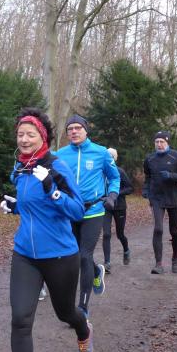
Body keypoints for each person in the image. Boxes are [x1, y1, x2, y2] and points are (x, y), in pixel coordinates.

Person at [0, 108, 91, 352]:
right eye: (20, 134)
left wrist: (52, 188)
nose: (24, 139)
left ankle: (83, 329)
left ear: (43, 138)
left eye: (30, 135)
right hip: (25, 254)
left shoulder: (57, 166)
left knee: (65, 313)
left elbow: (77, 210)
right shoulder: (21, 168)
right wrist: (15, 206)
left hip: (60, 255)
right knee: (20, 318)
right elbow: (32, 207)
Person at [55, 114, 120, 319]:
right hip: (69, 210)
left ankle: (82, 307)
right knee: (75, 255)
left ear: (86, 130)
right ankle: (96, 271)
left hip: (93, 211)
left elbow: (115, 177)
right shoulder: (59, 155)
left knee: (84, 255)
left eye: (77, 128)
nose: (74, 131)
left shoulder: (101, 153)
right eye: (70, 129)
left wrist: (112, 195)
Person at [142, 131, 177, 274]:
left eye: (162, 142)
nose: (159, 144)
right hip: (156, 198)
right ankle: (158, 264)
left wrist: (171, 176)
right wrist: (146, 190)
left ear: (167, 142)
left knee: (174, 230)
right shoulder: (150, 159)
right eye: (157, 142)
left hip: (174, 197)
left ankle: (175, 259)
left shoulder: (176, 156)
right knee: (158, 229)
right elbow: (148, 177)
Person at [102, 148, 134, 272]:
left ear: (114, 159)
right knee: (106, 234)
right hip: (105, 207)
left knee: (120, 234)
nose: (108, 158)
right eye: (107, 156)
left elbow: (130, 188)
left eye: (111, 156)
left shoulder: (119, 171)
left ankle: (126, 250)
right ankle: (107, 263)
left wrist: (115, 193)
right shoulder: (100, 172)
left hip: (119, 206)